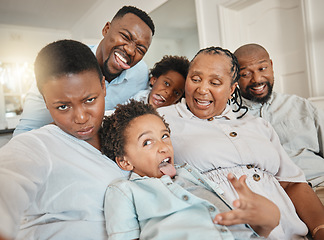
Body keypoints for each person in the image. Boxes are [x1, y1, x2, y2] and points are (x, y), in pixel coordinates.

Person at [157, 46, 324, 240]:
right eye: (195, 79)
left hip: (291, 232)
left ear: (231, 89)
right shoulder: (163, 120)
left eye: (215, 82)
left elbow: (292, 183)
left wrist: (320, 228)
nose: (202, 89)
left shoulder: (257, 125)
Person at [100, 99, 280, 240]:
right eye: (147, 142)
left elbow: (260, 230)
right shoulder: (125, 191)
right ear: (125, 162)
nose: (164, 147)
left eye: (164, 136)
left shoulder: (190, 174)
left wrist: (267, 215)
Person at [0, 40, 126, 240]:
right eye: (62, 107)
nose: (81, 118)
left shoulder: (123, 124)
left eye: (89, 100)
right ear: (45, 101)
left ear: (103, 87)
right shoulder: (35, 146)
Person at [13, 5, 155, 136]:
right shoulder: (57, 68)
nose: (130, 50)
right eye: (125, 36)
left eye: (140, 49)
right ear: (106, 29)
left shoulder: (140, 73)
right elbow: (23, 135)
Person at [234, 43, 324, 204]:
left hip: (320, 183)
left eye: (262, 69)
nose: (257, 79)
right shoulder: (229, 117)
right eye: (246, 73)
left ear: (271, 66)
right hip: (278, 197)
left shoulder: (301, 106)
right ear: (234, 77)